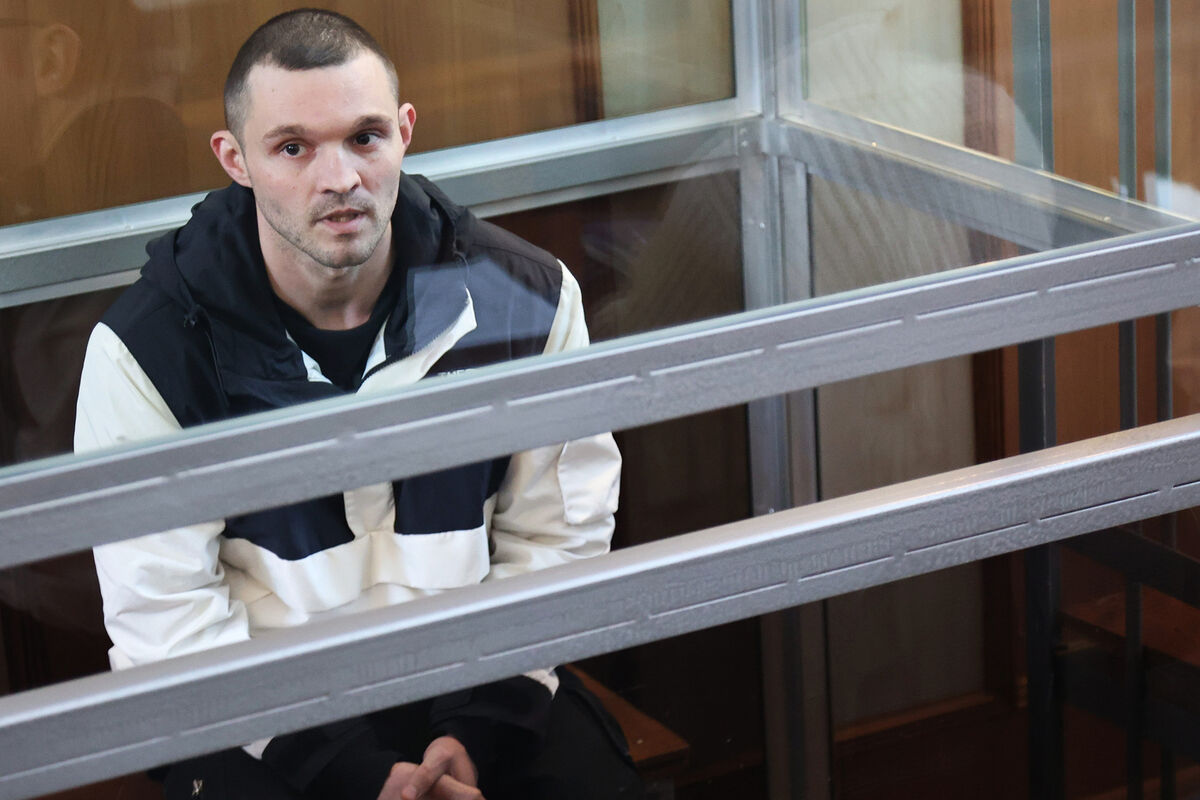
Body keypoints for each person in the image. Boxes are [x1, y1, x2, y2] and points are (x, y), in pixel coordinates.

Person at [74, 9, 638, 800]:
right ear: (235, 159)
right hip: (255, 724)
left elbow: (557, 539)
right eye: (293, 147)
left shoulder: (526, 298)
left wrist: (475, 731)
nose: (338, 177)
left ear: (404, 133)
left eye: (365, 137)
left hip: (477, 681)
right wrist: (353, 775)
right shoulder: (149, 350)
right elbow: (166, 620)